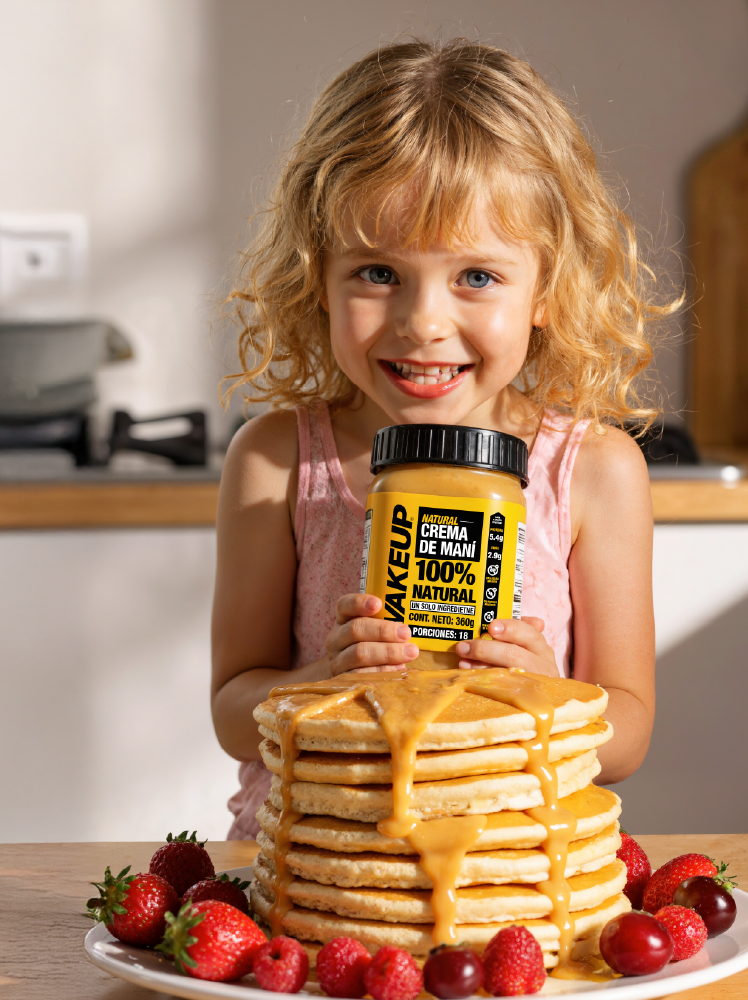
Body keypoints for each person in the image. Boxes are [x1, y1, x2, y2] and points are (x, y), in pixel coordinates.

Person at [211, 39, 676, 840]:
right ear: (318, 275)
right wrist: (318, 682)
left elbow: (626, 730)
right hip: (313, 864)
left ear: (547, 288)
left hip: (512, 873)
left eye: (478, 276)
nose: (424, 322)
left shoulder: (592, 472)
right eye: (378, 273)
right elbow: (232, 709)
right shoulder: (277, 461)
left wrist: (548, 697)